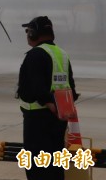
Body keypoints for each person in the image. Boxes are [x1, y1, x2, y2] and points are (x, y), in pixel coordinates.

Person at [16, 15, 78, 179]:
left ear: (35, 33)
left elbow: (35, 87)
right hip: (59, 119)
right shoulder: (62, 54)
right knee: (55, 162)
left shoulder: (35, 55)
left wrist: (48, 102)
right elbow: (71, 87)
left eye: (28, 31)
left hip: (38, 119)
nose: (27, 34)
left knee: (37, 166)